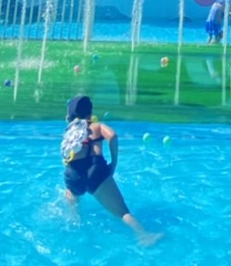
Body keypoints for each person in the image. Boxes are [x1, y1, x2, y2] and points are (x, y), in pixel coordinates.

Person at [60, 95, 159, 245]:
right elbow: (112, 136)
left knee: (71, 194)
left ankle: (74, 223)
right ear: (90, 113)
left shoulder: (70, 132)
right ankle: (144, 236)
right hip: (95, 170)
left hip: (73, 174)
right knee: (123, 213)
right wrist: (113, 163)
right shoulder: (96, 126)